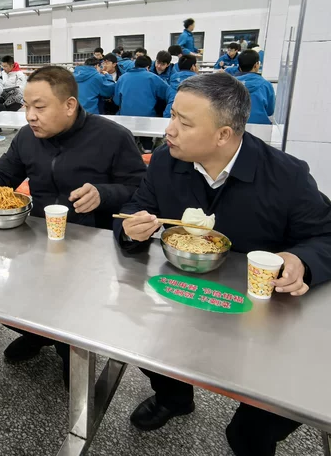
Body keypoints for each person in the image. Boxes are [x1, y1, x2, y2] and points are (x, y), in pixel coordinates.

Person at [114, 73, 331, 456]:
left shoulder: (285, 175)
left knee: (253, 428)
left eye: (184, 122)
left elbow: (325, 236)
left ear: (223, 135)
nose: (169, 130)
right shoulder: (165, 162)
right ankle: (174, 397)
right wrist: (132, 228)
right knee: (148, 342)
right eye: (172, 115)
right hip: (183, 292)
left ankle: (249, 434)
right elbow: (135, 208)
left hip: (263, 310)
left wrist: (301, 260)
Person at [0, 66, 146, 385]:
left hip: (91, 244)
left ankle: (70, 350)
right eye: (27, 106)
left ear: (69, 105)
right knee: (8, 299)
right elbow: (4, 174)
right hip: (36, 237)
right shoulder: (26, 137)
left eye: (40, 107)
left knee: (75, 311)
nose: (30, 116)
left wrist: (103, 194)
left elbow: (139, 189)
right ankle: (38, 334)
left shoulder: (113, 137)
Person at [236, 50, 275, 125]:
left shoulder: (229, 84)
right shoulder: (266, 85)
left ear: (239, 67)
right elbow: (270, 111)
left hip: (234, 127)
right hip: (261, 127)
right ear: (256, 65)